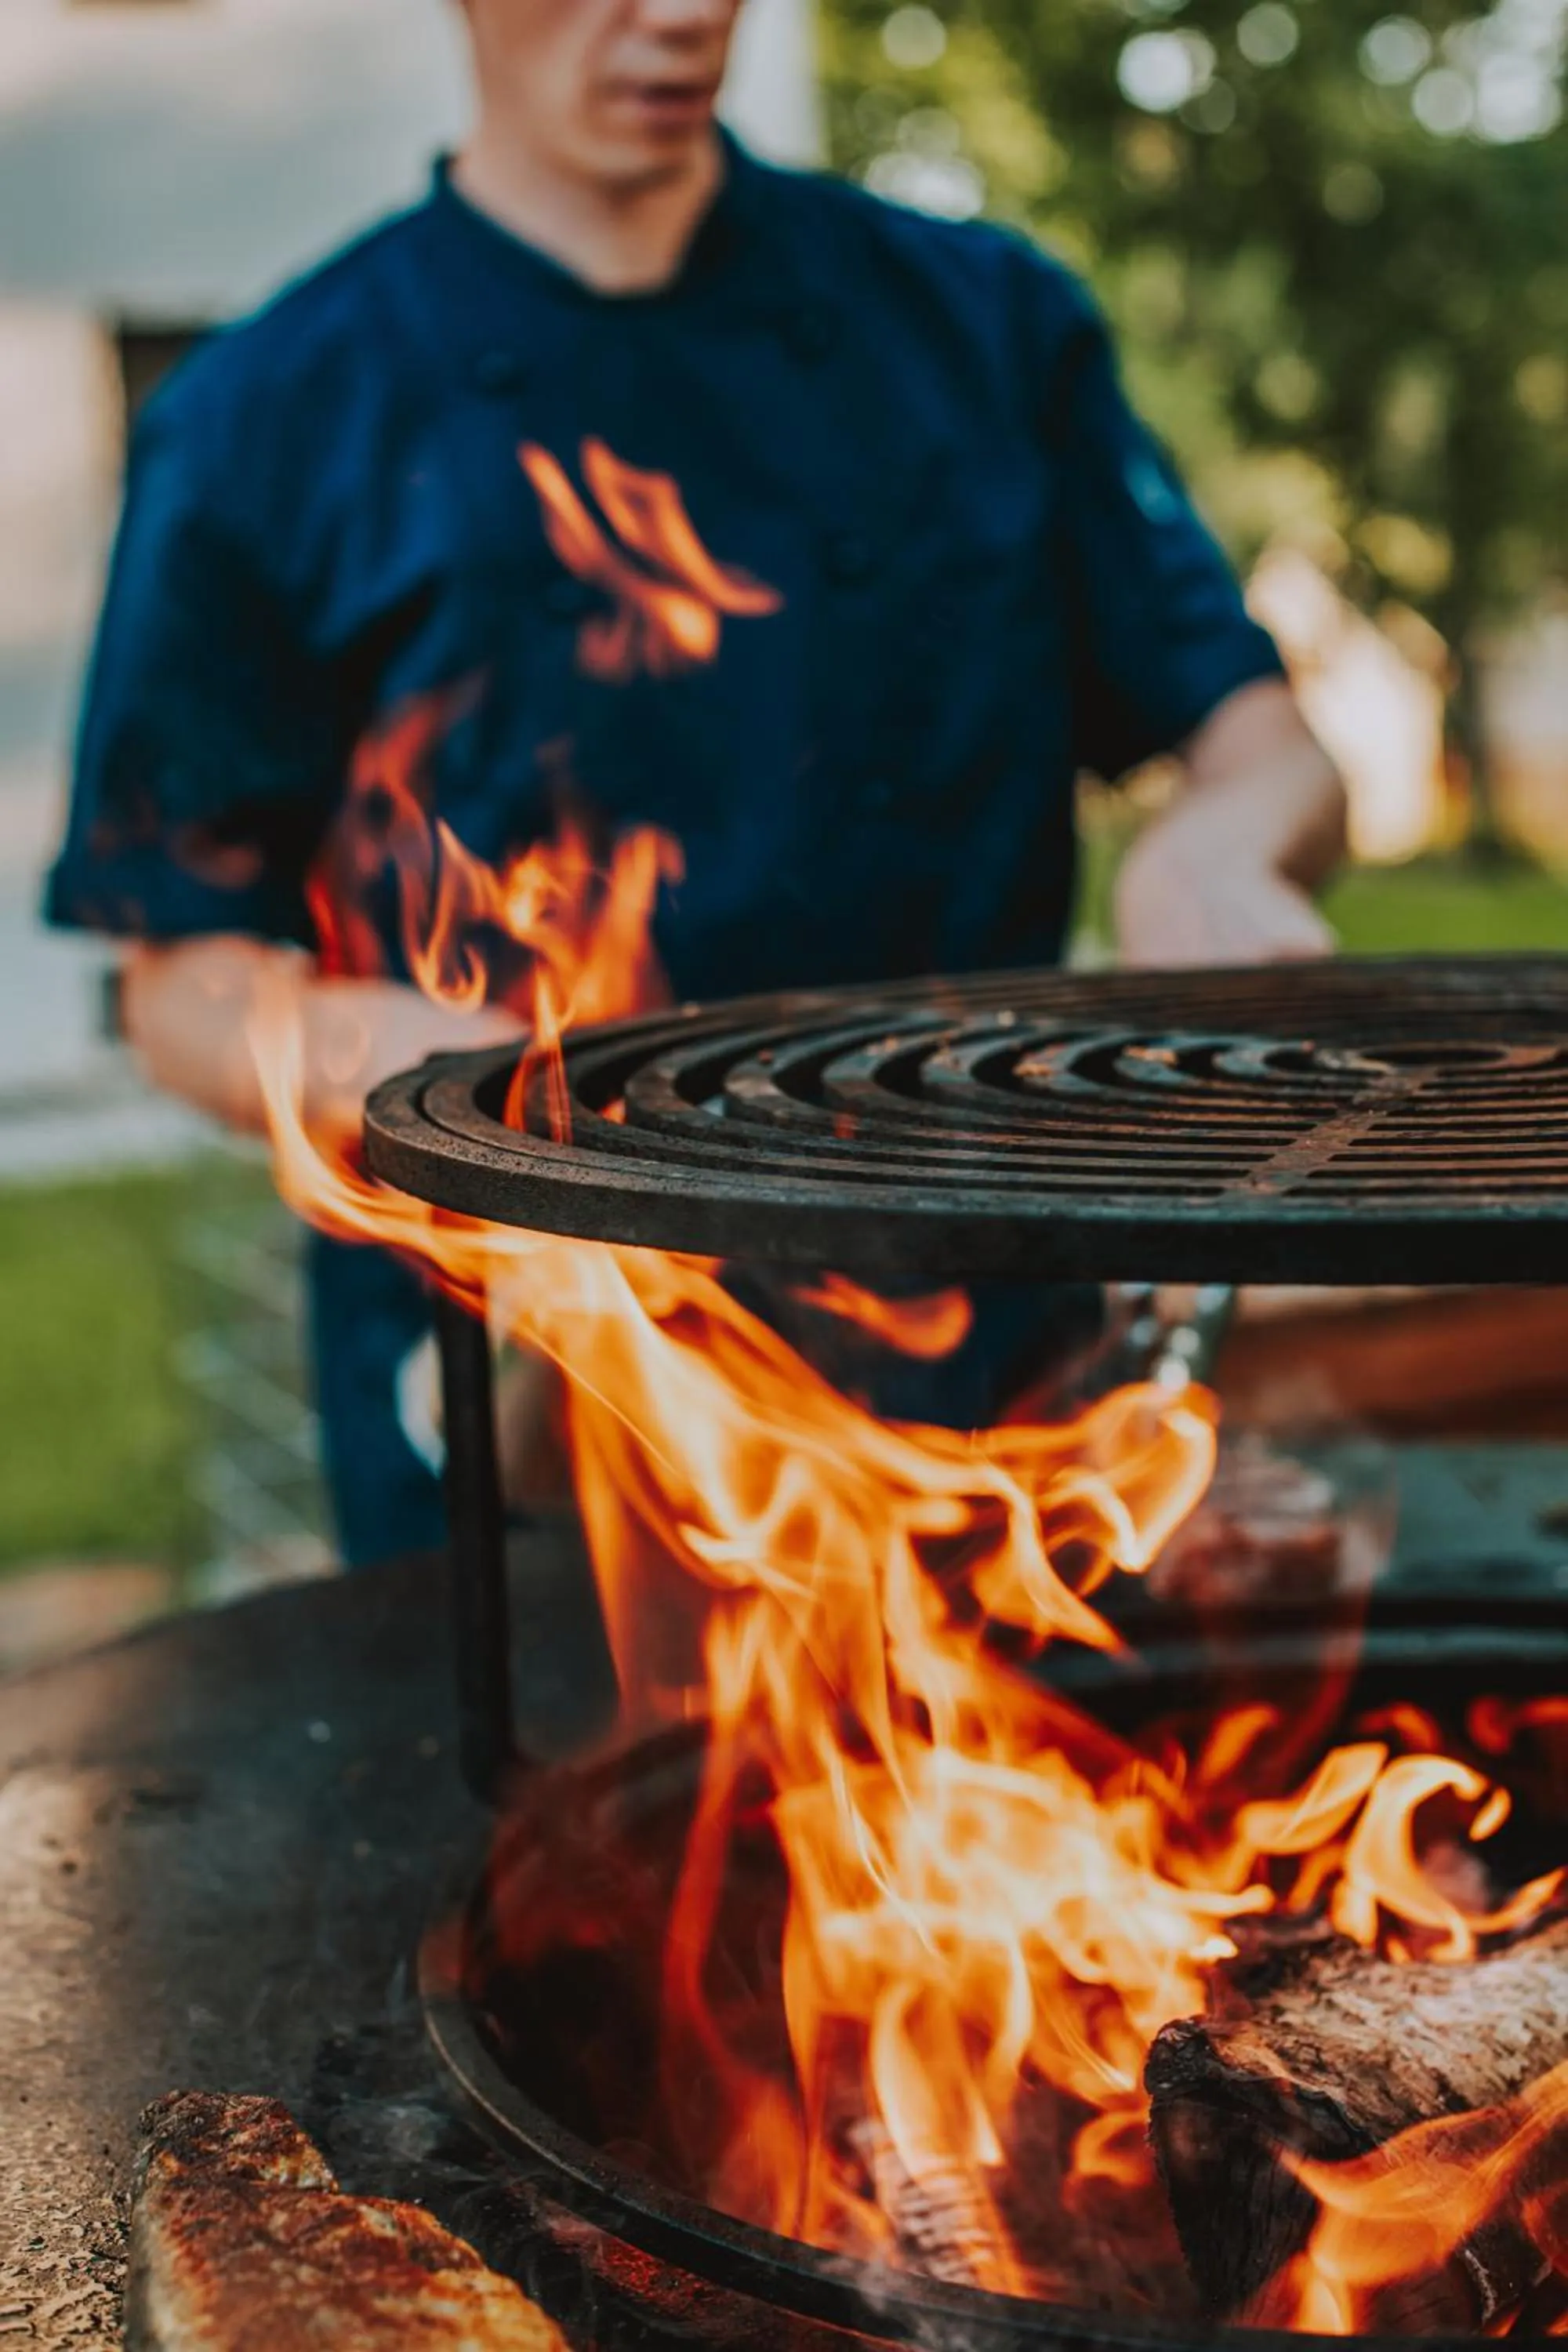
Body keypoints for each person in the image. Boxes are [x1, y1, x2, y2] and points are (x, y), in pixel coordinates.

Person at [46, 0, 1346, 1570]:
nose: (675, 16)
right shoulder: (268, 413)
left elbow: (1263, 746)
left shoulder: (984, 329)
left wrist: (1217, 854)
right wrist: (400, 1063)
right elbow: (177, 982)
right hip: (533, 1374)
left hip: (992, 1351)